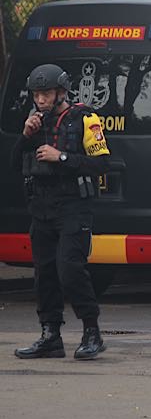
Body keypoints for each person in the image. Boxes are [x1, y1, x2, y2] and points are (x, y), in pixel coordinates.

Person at [11, 64, 111, 360]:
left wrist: (62, 157)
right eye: (36, 94)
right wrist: (25, 136)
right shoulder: (34, 122)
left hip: (73, 207)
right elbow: (15, 164)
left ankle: (92, 332)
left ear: (61, 93)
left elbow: (101, 164)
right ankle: (50, 335)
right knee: (44, 273)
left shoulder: (85, 118)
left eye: (46, 94)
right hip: (41, 207)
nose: (40, 100)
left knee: (69, 269)